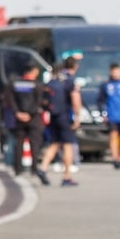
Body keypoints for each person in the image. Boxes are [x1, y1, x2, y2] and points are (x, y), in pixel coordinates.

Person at [37, 55, 82, 187]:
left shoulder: (54, 80)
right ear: (75, 66)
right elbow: (75, 99)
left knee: (54, 143)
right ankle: (66, 176)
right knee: (68, 145)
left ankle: (43, 167)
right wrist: (77, 116)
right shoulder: (70, 81)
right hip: (65, 116)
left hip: (53, 116)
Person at [3, 62, 48, 183]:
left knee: (19, 143)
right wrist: (30, 114)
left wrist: (18, 112)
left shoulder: (14, 84)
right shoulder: (37, 85)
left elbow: (10, 99)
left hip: (19, 118)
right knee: (35, 144)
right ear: (33, 71)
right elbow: (38, 102)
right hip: (33, 118)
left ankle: (18, 168)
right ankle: (34, 168)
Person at [96, 62, 120, 170]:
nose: (115, 73)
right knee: (113, 135)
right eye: (113, 71)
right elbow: (100, 101)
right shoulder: (106, 85)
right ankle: (115, 158)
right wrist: (103, 113)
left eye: (117, 71)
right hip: (111, 115)